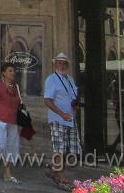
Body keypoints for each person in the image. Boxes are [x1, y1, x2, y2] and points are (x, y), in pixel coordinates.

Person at [44, 53, 81, 191]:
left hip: (71, 119)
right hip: (58, 119)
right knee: (59, 149)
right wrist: (62, 114)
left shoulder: (70, 79)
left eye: (64, 63)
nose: (62, 65)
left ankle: (53, 168)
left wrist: (75, 107)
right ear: (55, 64)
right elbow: (47, 100)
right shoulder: (51, 80)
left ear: (68, 65)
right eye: (59, 63)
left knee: (67, 149)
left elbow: (72, 97)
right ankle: (61, 175)